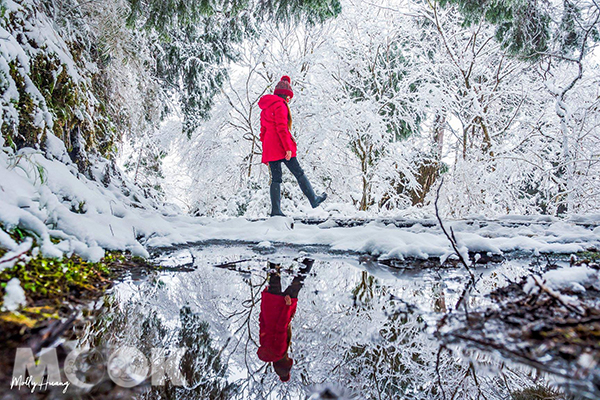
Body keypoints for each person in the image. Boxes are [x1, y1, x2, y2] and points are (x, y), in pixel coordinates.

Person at [258, 76, 327, 217]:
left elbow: (263, 131)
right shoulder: (280, 105)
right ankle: (313, 199)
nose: (289, 100)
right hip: (281, 146)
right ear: (286, 96)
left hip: (270, 147)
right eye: (289, 97)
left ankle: (275, 210)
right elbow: (282, 128)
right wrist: (287, 148)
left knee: (276, 178)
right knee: (299, 173)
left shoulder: (265, 108)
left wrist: (267, 147)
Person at [257, 259, 314, 382]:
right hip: (270, 308)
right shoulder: (265, 347)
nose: (289, 357)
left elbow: (281, 328)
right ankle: (274, 251)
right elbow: (262, 323)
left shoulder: (279, 351)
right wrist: (265, 302)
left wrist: (287, 307)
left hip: (281, 309)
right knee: (274, 277)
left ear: (284, 362)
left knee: (298, 281)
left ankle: (310, 258)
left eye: (288, 361)